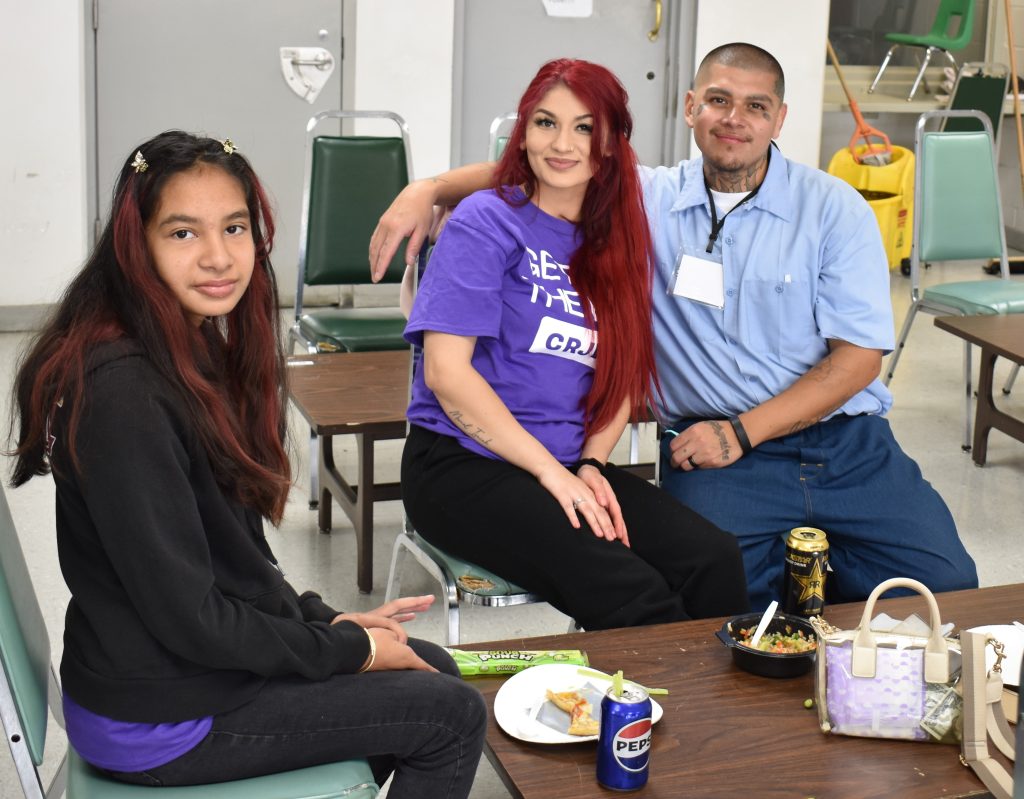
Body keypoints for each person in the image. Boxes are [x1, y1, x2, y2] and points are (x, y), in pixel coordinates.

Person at [370, 43, 978, 612]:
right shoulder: (647, 200)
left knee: (948, 592)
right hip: (712, 455)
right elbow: (548, 167)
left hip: (841, 444)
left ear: (780, 118)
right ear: (691, 107)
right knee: (722, 596)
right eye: (718, 100)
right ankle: (730, 698)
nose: (734, 119)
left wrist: (729, 434)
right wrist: (427, 188)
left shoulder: (832, 208)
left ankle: (828, 631)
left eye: (756, 106)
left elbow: (857, 362)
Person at [9, 131, 485, 796]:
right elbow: (194, 616)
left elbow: (230, 561)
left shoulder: (185, 343)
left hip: (179, 676)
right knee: (450, 714)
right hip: (160, 718)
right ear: (135, 242)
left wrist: (325, 622)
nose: (217, 257)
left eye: (234, 227)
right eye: (182, 233)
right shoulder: (125, 394)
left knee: (431, 668)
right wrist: (348, 650)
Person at [400, 58, 749, 632]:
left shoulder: (617, 243)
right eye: (545, 123)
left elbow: (621, 375)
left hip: (565, 462)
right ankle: (650, 718)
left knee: (712, 560)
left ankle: (709, 713)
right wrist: (551, 474)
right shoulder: (486, 221)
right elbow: (445, 373)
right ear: (524, 133)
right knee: (631, 590)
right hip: (462, 467)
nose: (562, 144)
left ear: (611, 144)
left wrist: (589, 463)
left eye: (584, 127)